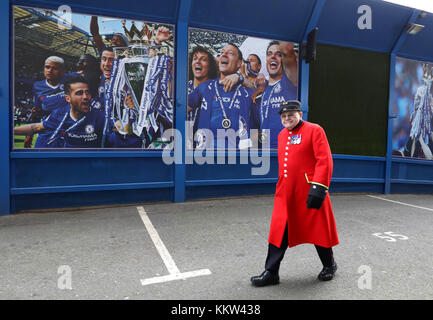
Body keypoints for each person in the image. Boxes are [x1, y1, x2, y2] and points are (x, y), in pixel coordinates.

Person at [250, 100, 339, 286]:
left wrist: (319, 188)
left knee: (319, 230)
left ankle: (329, 265)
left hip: (310, 191)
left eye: (290, 114)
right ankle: (271, 272)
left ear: (300, 114)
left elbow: (325, 160)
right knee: (278, 231)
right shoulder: (282, 135)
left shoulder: (315, 130)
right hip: (286, 194)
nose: (287, 118)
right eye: (283, 116)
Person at [188, 43, 256, 149]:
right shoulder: (205, 86)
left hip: (237, 158)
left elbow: (264, 112)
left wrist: (240, 78)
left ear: (239, 63)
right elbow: (180, 109)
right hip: (205, 155)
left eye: (230, 53)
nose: (224, 55)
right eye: (222, 53)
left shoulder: (247, 92)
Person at [14, 76, 105, 148]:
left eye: (87, 92)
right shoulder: (59, 113)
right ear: (67, 98)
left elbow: (115, 126)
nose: (85, 96)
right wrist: (10, 131)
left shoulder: (99, 116)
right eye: (79, 93)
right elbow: (37, 127)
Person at [259, 41, 298, 149]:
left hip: (285, 150)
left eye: (279, 54)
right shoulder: (264, 87)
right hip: (265, 151)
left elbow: (288, 53)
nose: (273, 57)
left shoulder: (288, 82)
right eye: (269, 54)